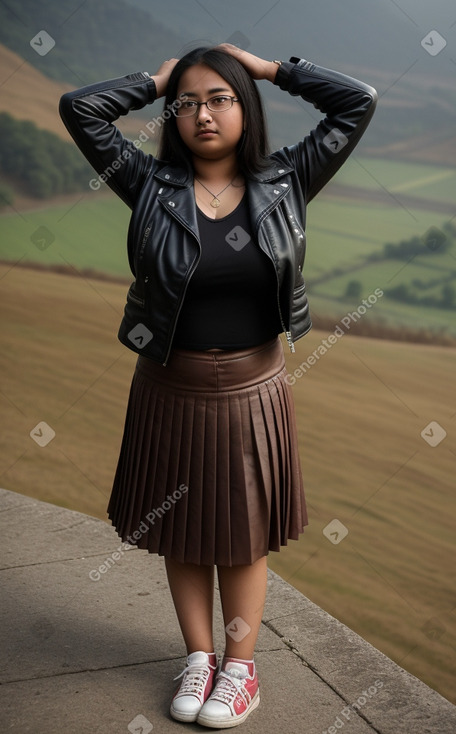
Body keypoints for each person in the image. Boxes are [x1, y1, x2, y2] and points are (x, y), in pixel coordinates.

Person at [59, 44, 377, 728]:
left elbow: (357, 102)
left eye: (221, 98)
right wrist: (156, 79)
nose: (203, 114)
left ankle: (241, 668)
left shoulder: (288, 178)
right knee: (180, 529)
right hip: (167, 386)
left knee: (240, 535)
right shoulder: (146, 185)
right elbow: (80, 109)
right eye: (189, 103)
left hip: (252, 388)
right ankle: (198, 658)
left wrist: (269, 68)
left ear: (246, 107)